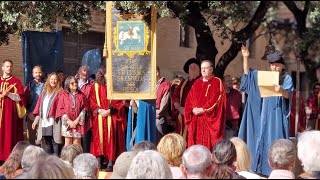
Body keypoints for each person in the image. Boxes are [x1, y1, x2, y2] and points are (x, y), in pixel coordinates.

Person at [238, 46, 294, 176]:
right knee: (258, 140)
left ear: (282, 66)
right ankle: (258, 169)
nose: (275, 67)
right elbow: (248, 75)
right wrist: (245, 57)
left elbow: (288, 96)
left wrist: (280, 90)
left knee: (274, 141)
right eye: (273, 65)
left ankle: (275, 170)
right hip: (262, 114)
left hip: (276, 116)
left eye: (277, 65)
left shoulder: (286, 78)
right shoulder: (264, 76)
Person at [89, 65, 127, 171]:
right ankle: (99, 162)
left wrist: (109, 111)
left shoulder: (115, 86)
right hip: (100, 117)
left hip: (112, 116)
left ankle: (111, 162)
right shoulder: (94, 86)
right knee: (98, 140)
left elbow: (119, 101)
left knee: (111, 139)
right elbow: (91, 101)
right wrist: (99, 110)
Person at [184, 60, 226, 150]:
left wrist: (204, 110)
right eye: (202, 68)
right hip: (196, 120)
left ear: (211, 69)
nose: (203, 70)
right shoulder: (197, 82)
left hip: (208, 120)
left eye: (205, 68)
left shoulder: (216, 82)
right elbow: (189, 98)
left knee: (207, 147)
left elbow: (217, 99)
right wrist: (192, 109)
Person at [0, 60, 26, 162]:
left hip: (10, 114)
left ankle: (8, 157)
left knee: (9, 134)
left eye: (10, 66)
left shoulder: (16, 82)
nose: (9, 68)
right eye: (7, 66)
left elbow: (21, 97)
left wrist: (9, 94)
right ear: (2, 68)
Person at [32, 72, 63, 156]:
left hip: (54, 121)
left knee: (55, 142)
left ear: (58, 81)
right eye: (51, 79)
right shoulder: (44, 93)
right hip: (44, 122)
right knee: (46, 141)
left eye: (55, 79)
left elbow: (61, 107)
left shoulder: (60, 92)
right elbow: (39, 108)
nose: (53, 81)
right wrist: (35, 121)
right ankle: (48, 163)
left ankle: (56, 162)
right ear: (48, 80)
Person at [171, 58, 200, 140]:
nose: (193, 69)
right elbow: (175, 95)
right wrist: (178, 107)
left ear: (199, 70)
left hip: (194, 116)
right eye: (191, 67)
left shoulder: (201, 83)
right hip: (181, 115)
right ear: (188, 70)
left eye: (195, 67)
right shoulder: (183, 83)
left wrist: (188, 111)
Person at [56, 76, 88, 147]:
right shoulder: (63, 95)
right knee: (67, 144)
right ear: (68, 85)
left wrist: (76, 121)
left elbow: (84, 109)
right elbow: (61, 109)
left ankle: (78, 158)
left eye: (76, 82)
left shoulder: (81, 95)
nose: (75, 84)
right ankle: (67, 158)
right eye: (72, 83)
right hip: (67, 123)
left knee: (77, 144)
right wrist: (69, 121)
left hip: (78, 123)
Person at [24, 65, 45, 145]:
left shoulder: (46, 85)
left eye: (39, 72)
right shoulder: (29, 85)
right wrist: (29, 113)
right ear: (33, 74)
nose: (38, 74)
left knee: (41, 139)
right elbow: (25, 100)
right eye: (36, 72)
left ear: (42, 73)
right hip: (31, 114)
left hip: (42, 116)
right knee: (31, 139)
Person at [76, 66, 93, 153]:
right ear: (79, 73)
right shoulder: (73, 83)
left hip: (86, 114)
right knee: (76, 138)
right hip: (74, 114)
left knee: (85, 138)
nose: (85, 73)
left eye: (86, 72)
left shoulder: (91, 85)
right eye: (83, 71)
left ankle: (85, 156)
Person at [155, 66, 172, 143]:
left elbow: (163, 107)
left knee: (157, 125)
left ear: (156, 73)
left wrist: (151, 115)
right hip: (146, 116)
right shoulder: (147, 85)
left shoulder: (165, 85)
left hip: (158, 116)